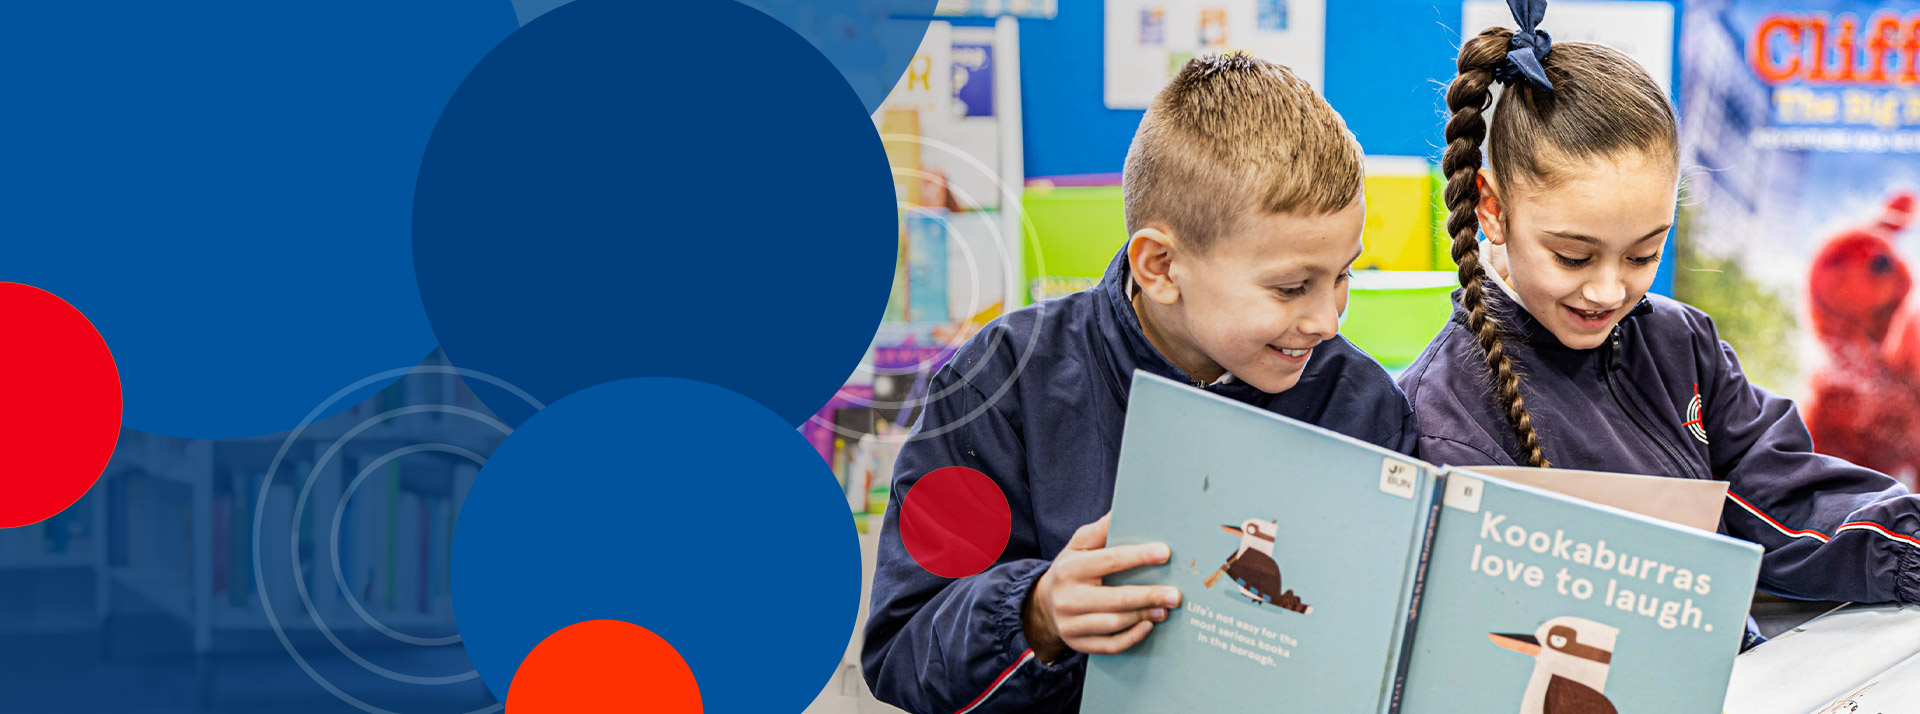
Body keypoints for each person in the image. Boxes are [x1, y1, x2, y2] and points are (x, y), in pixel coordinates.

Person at [862, 52, 1415, 713]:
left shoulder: (1364, 408)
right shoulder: (1001, 383)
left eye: (1344, 275)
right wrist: (1037, 614)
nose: (1326, 320)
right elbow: (902, 647)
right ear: (1160, 267)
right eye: (1292, 287)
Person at [1398, 0, 1920, 646]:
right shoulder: (1444, 416)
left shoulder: (1682, 345)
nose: (1608, 290)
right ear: (1492, 211)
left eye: (1644, 254)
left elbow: (1786, 497)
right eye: (1573, 256)